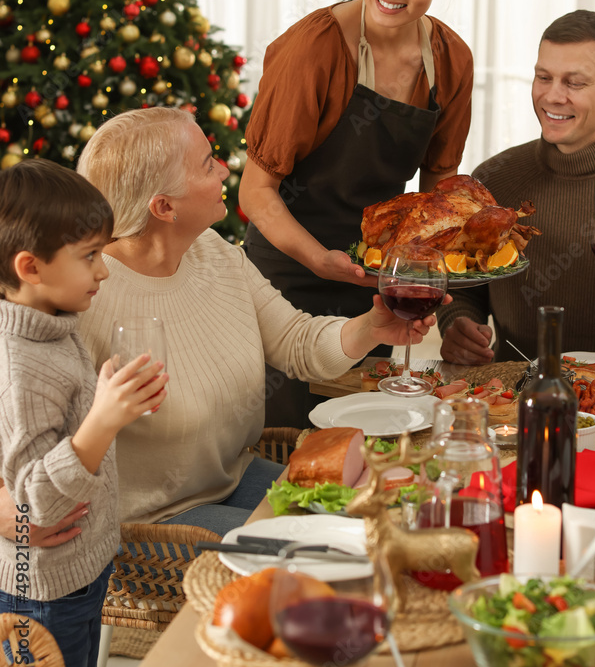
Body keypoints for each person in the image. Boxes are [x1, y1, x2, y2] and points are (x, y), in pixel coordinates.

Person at [71, 107, 444, 536]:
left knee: (394, 511)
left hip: (237, 478)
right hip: (157, 520)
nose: (225, 168)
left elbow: (297, 342)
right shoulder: (89, 295)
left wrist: (370, 327)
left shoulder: (213, 252)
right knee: (336, 544)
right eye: (207, 163)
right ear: (164, 207)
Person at [240, 0, 474, 426]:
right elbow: (256, 191)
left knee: (365, 436)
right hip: (286, 281)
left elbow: (440, 182)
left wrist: (421, 265)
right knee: (288, 445)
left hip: (372, 282)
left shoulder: (450, 59)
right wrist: (319, 259)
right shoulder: (314, 50)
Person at [0, 161, 167, 667]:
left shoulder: (53, 321)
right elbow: (36, 504)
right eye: (91, 256)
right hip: (41, 592)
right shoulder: (18, 364)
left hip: (81, 571)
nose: (105, 271)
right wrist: (100, 421)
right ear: (32, 267)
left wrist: (104, 399)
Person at [438, 10, 595, 368]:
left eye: (574, 83)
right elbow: (463, 288)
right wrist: (458, 326)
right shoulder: (493, 181)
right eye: (543, 77)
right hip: (519, 400)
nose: (552, 96)